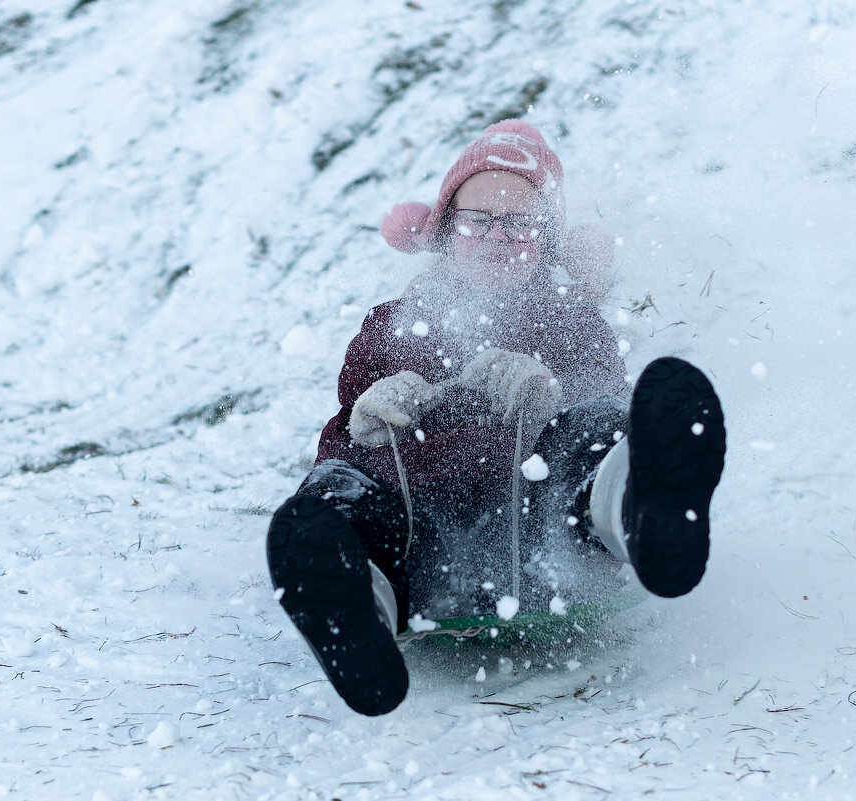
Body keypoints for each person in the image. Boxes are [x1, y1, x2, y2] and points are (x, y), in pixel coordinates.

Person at [266, 120, 726, 716]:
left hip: (541, 536)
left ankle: (638, 514)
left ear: (548, 240)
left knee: (596, 433)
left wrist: (551, 397)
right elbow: (339, 443)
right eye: (477, 220)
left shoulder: (572, 323)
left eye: (518, 224)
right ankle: (351, 599)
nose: (495, 236)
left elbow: (605, 405)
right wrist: (365, 414)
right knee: (339, 490)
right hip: (414, 541)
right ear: (444, 230)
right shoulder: (390, 326)